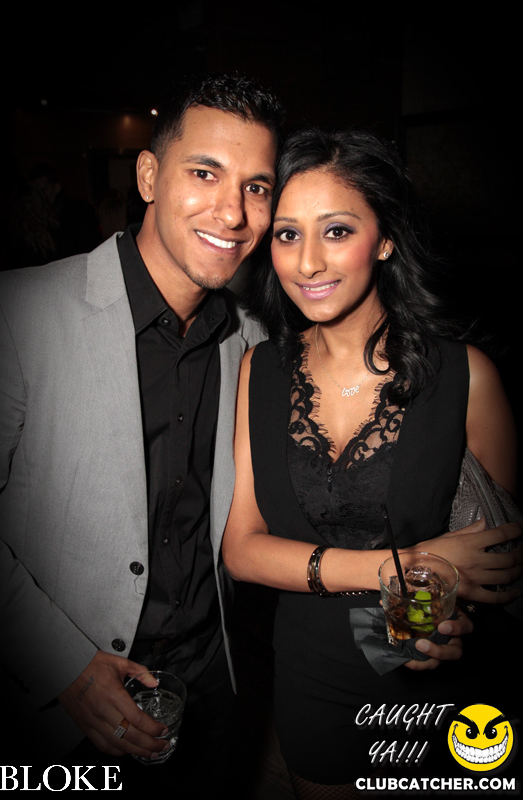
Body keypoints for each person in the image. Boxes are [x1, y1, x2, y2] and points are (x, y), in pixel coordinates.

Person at [0, 73, 282, 790]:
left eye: (256, 186)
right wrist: (62, 666)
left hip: (211, 682)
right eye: (204, 173)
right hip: (64, 704)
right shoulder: (17, 314)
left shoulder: (250, 340)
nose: (232, 212)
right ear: (148, 176)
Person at [222, 127, 522, 798]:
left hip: (437, 683)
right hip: (308, 673)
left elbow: (499, 565)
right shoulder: (258, 372)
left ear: (384, 239)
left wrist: (458, 619)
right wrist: (400, 566)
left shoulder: (466, 377)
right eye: (287, 234)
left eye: (336, 231)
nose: (307, 263)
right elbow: (242, 549)